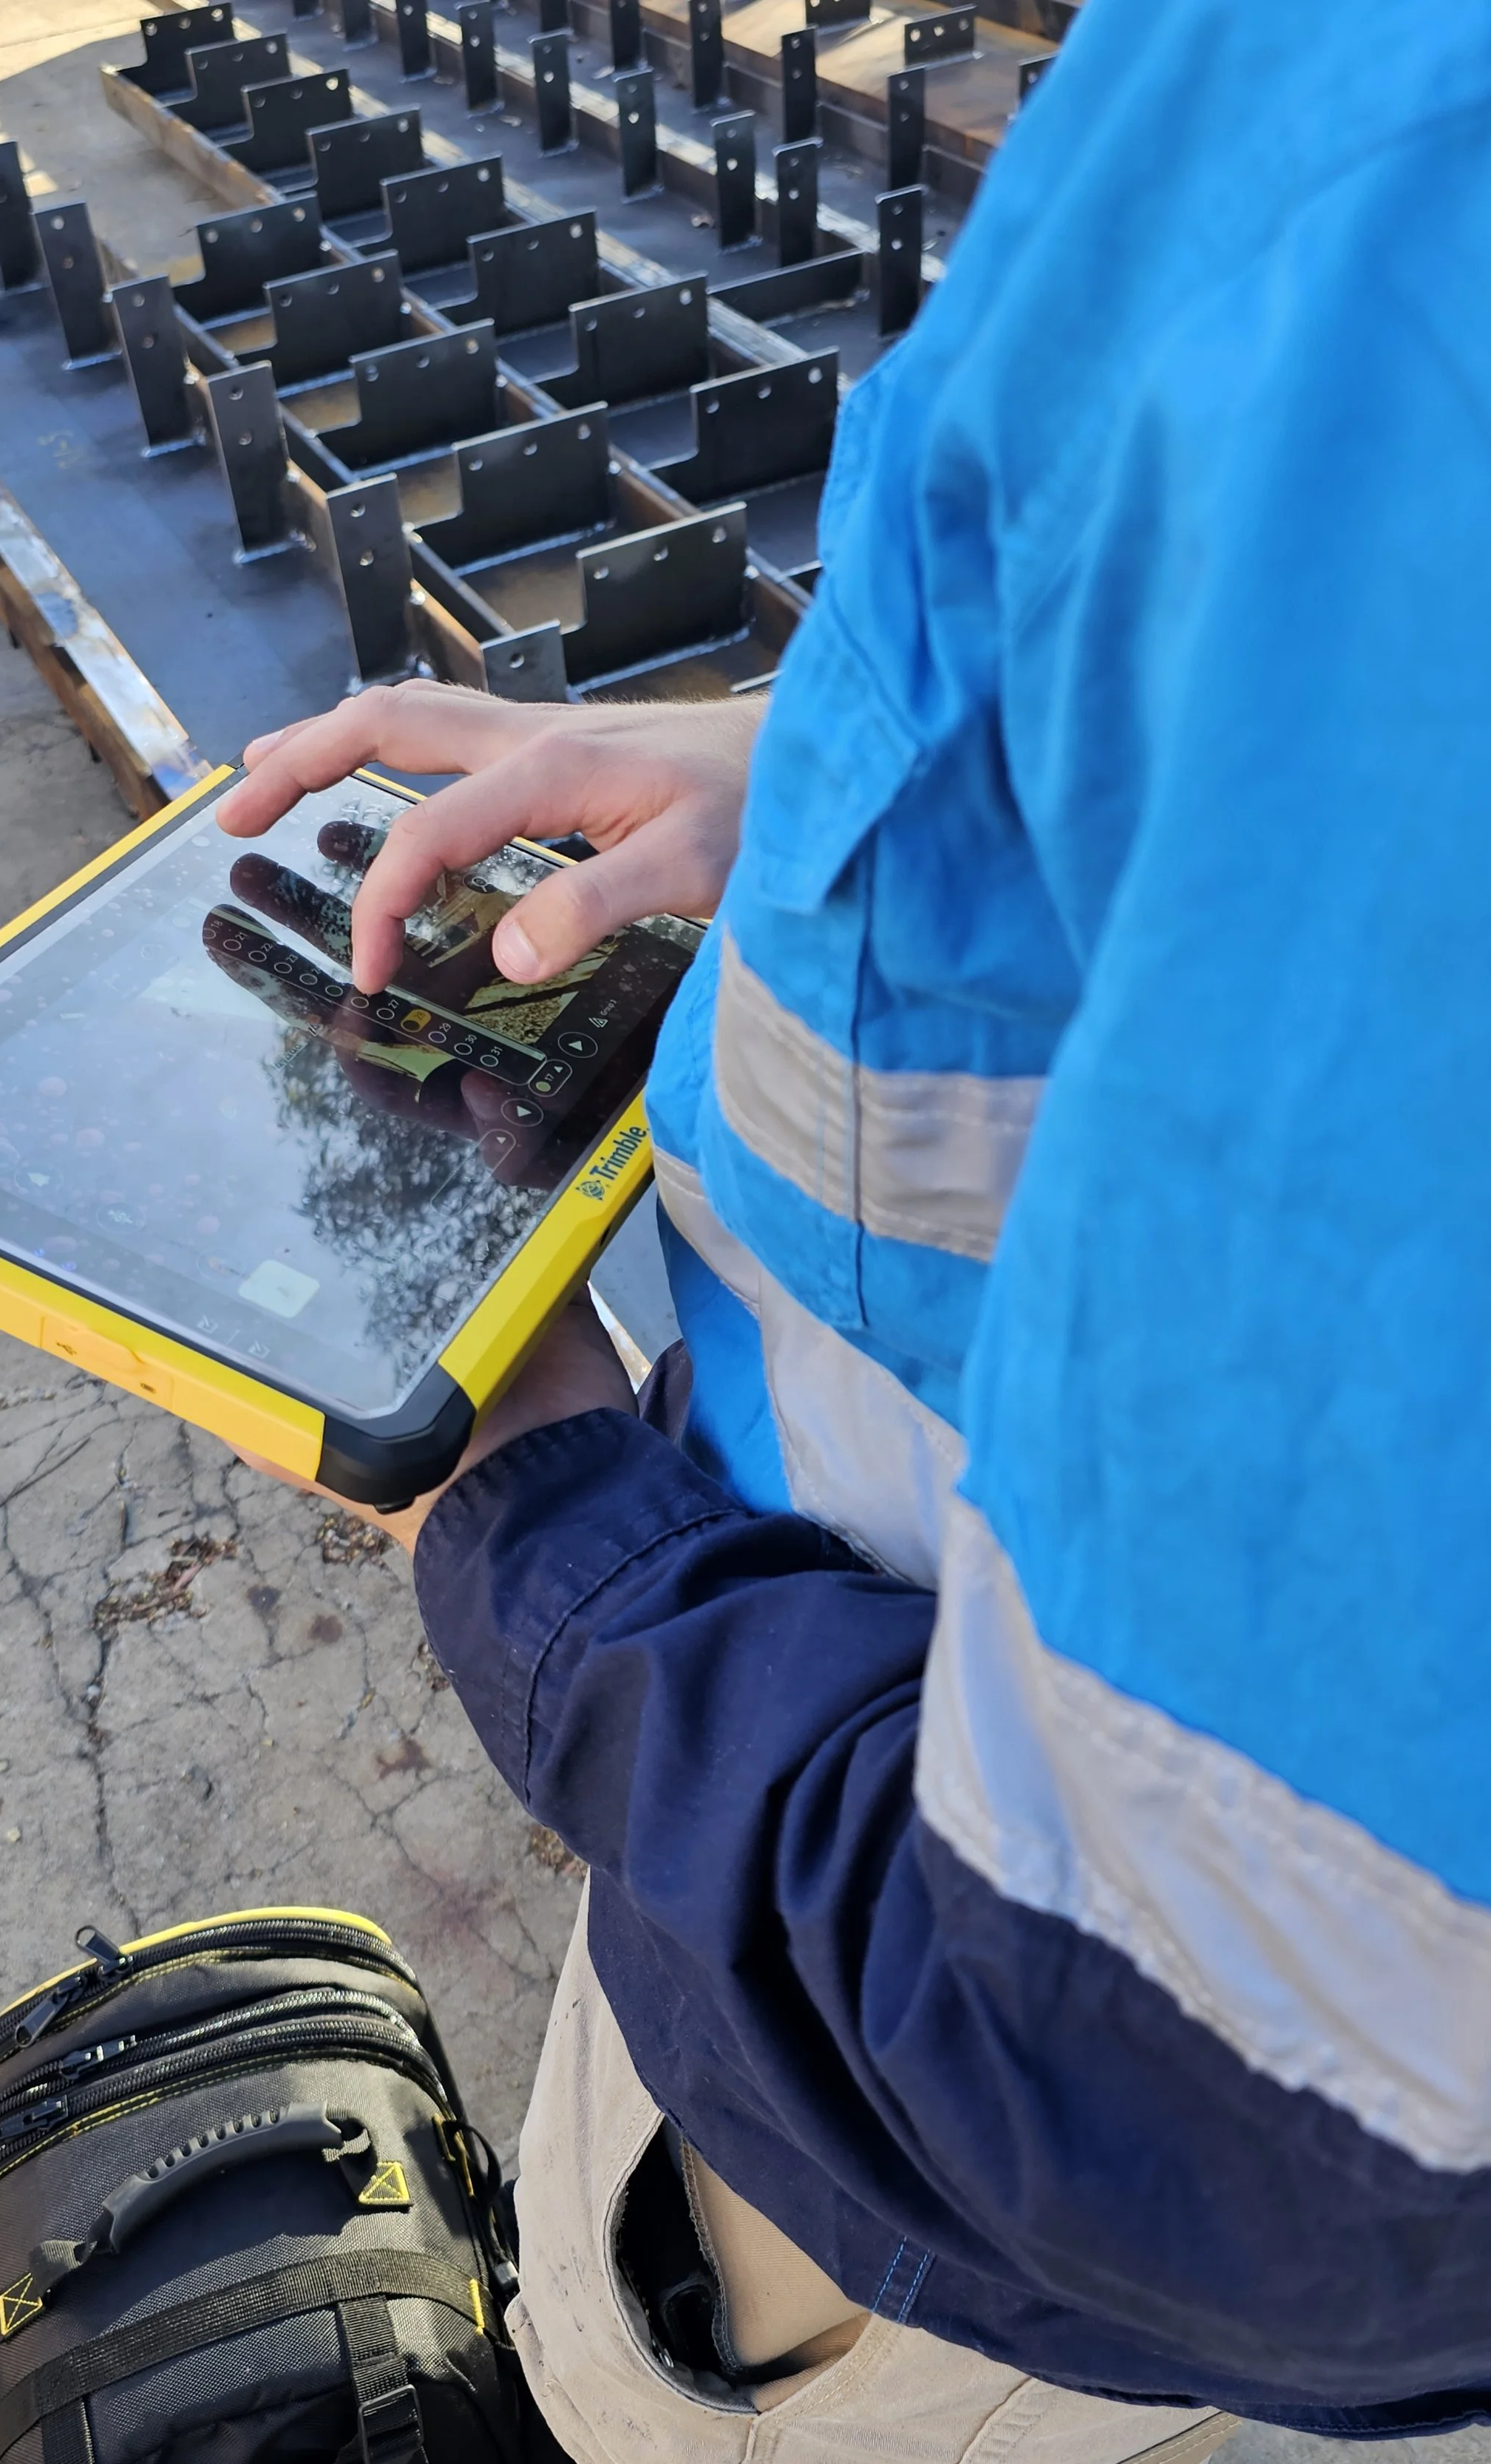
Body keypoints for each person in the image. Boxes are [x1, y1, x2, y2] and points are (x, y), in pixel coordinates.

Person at [214, 0, 1491, 2450]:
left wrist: (541, 1508)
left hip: (965, 2213)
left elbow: (1209, 2131)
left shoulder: (1406, 181)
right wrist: (849, 769)